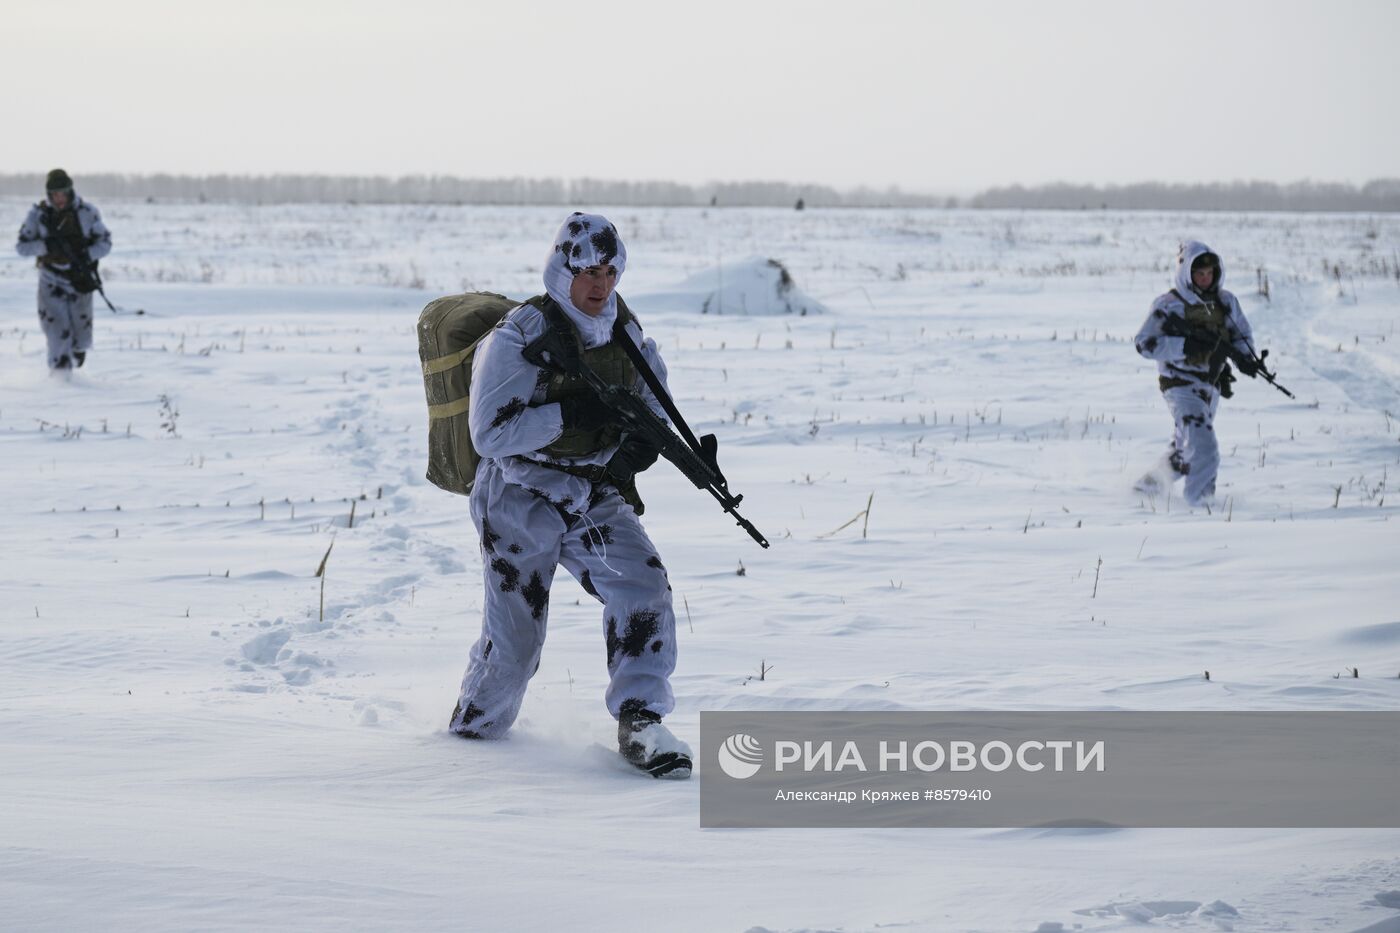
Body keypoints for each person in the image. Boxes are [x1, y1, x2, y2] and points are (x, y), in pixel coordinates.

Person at [449, 212, 691, 779]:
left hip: (590, 490)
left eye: (610, 270)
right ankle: (469, 746)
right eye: (587, 270)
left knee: (644, 585)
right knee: (516, 643)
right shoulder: (519, 337)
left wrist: (642, 448)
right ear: (562, 268)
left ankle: (642, 721)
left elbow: (654, 409)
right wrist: (571, 414)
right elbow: (490, 433)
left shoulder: (626, 335)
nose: (599, 284)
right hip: (516, 493)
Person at [1133, 240, 1259, 507]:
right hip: (1179, 385)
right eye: (1198, 274)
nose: (1204, 279)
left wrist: (1247, 359)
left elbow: (1241, 334)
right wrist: (1184, 347)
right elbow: (1143, 343)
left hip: (1210, 386)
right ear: (1186, 273)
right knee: (1204, 450)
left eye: (1209, 273)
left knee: (1184, 453)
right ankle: (1201, 510)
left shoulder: (1225, 302)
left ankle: (1144, 490)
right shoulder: (1168, 305)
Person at [15, 169, 112, 371]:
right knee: (57, 332)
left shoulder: (87, 213)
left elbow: (105, 243)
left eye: (62, 193)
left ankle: (76, 361)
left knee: (81, 337)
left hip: (79, 279)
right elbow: (22, 247)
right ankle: (60, 381)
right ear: (48, 194)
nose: (59, 198)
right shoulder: (39, 216)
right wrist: (45, 247)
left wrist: (86, 255)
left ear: (70, 192)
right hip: (51, 279)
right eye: (54, 194)